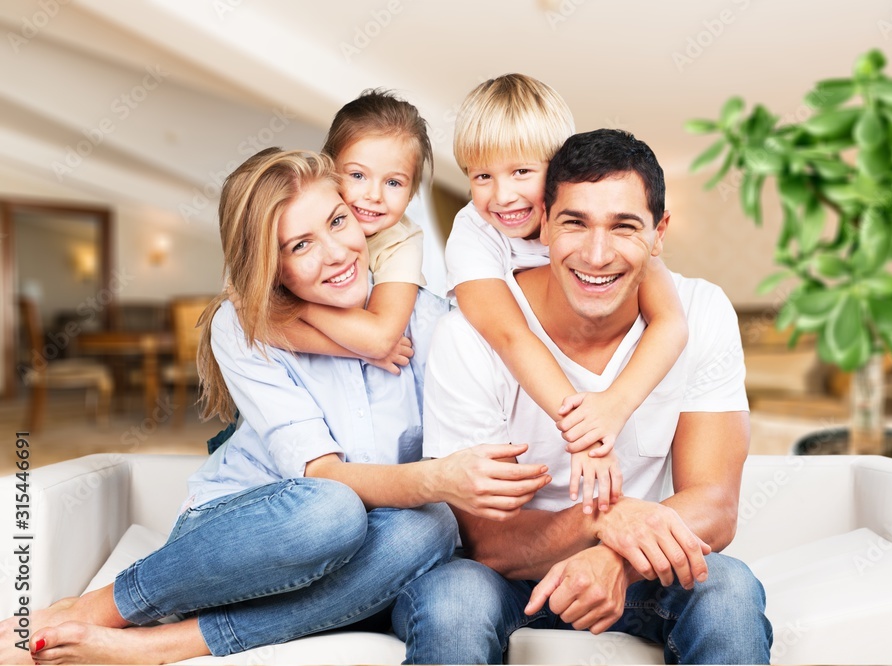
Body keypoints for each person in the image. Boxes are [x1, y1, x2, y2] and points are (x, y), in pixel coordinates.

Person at [0, 149, 549, 665]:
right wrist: (436, 480)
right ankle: (96, 611)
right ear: (272, 266)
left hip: (381, 555)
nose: (336, 254)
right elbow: (326, 478)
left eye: (337, 222)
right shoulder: (245, 328)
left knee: (429, 530)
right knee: (332, 508)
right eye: (299, 245)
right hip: (249, 540)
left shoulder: (431, 322)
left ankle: (158, 646)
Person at [393, 129, 772, 664]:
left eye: (624, 226)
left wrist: (615, 557)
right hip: (507, 579)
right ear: (543, 222)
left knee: (726, 590)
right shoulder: (468, 335)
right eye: (575, 222)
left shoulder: (700, 312)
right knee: (455, 598)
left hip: (638, 573)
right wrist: (597, 521)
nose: (597, 254)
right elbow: (487, 544)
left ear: (659, 233)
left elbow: (715, 505)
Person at [447, 74, 689, 513]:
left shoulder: (597, 219)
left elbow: (671, 323)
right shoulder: (474, 232)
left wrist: (613, 408)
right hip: (500, 385)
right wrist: (583, 435)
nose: (502, 196)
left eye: (521, 171)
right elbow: (509, 335)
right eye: (482, 175)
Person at [250, 89, 433, 370]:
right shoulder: (292, 214)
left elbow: (381, 339)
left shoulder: (403, 241)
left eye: (394, 183)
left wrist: (296, 305)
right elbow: (256, 322)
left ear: (410, 194)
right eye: (358, 175)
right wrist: (359, 352)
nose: (374, 195)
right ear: (329, 170)